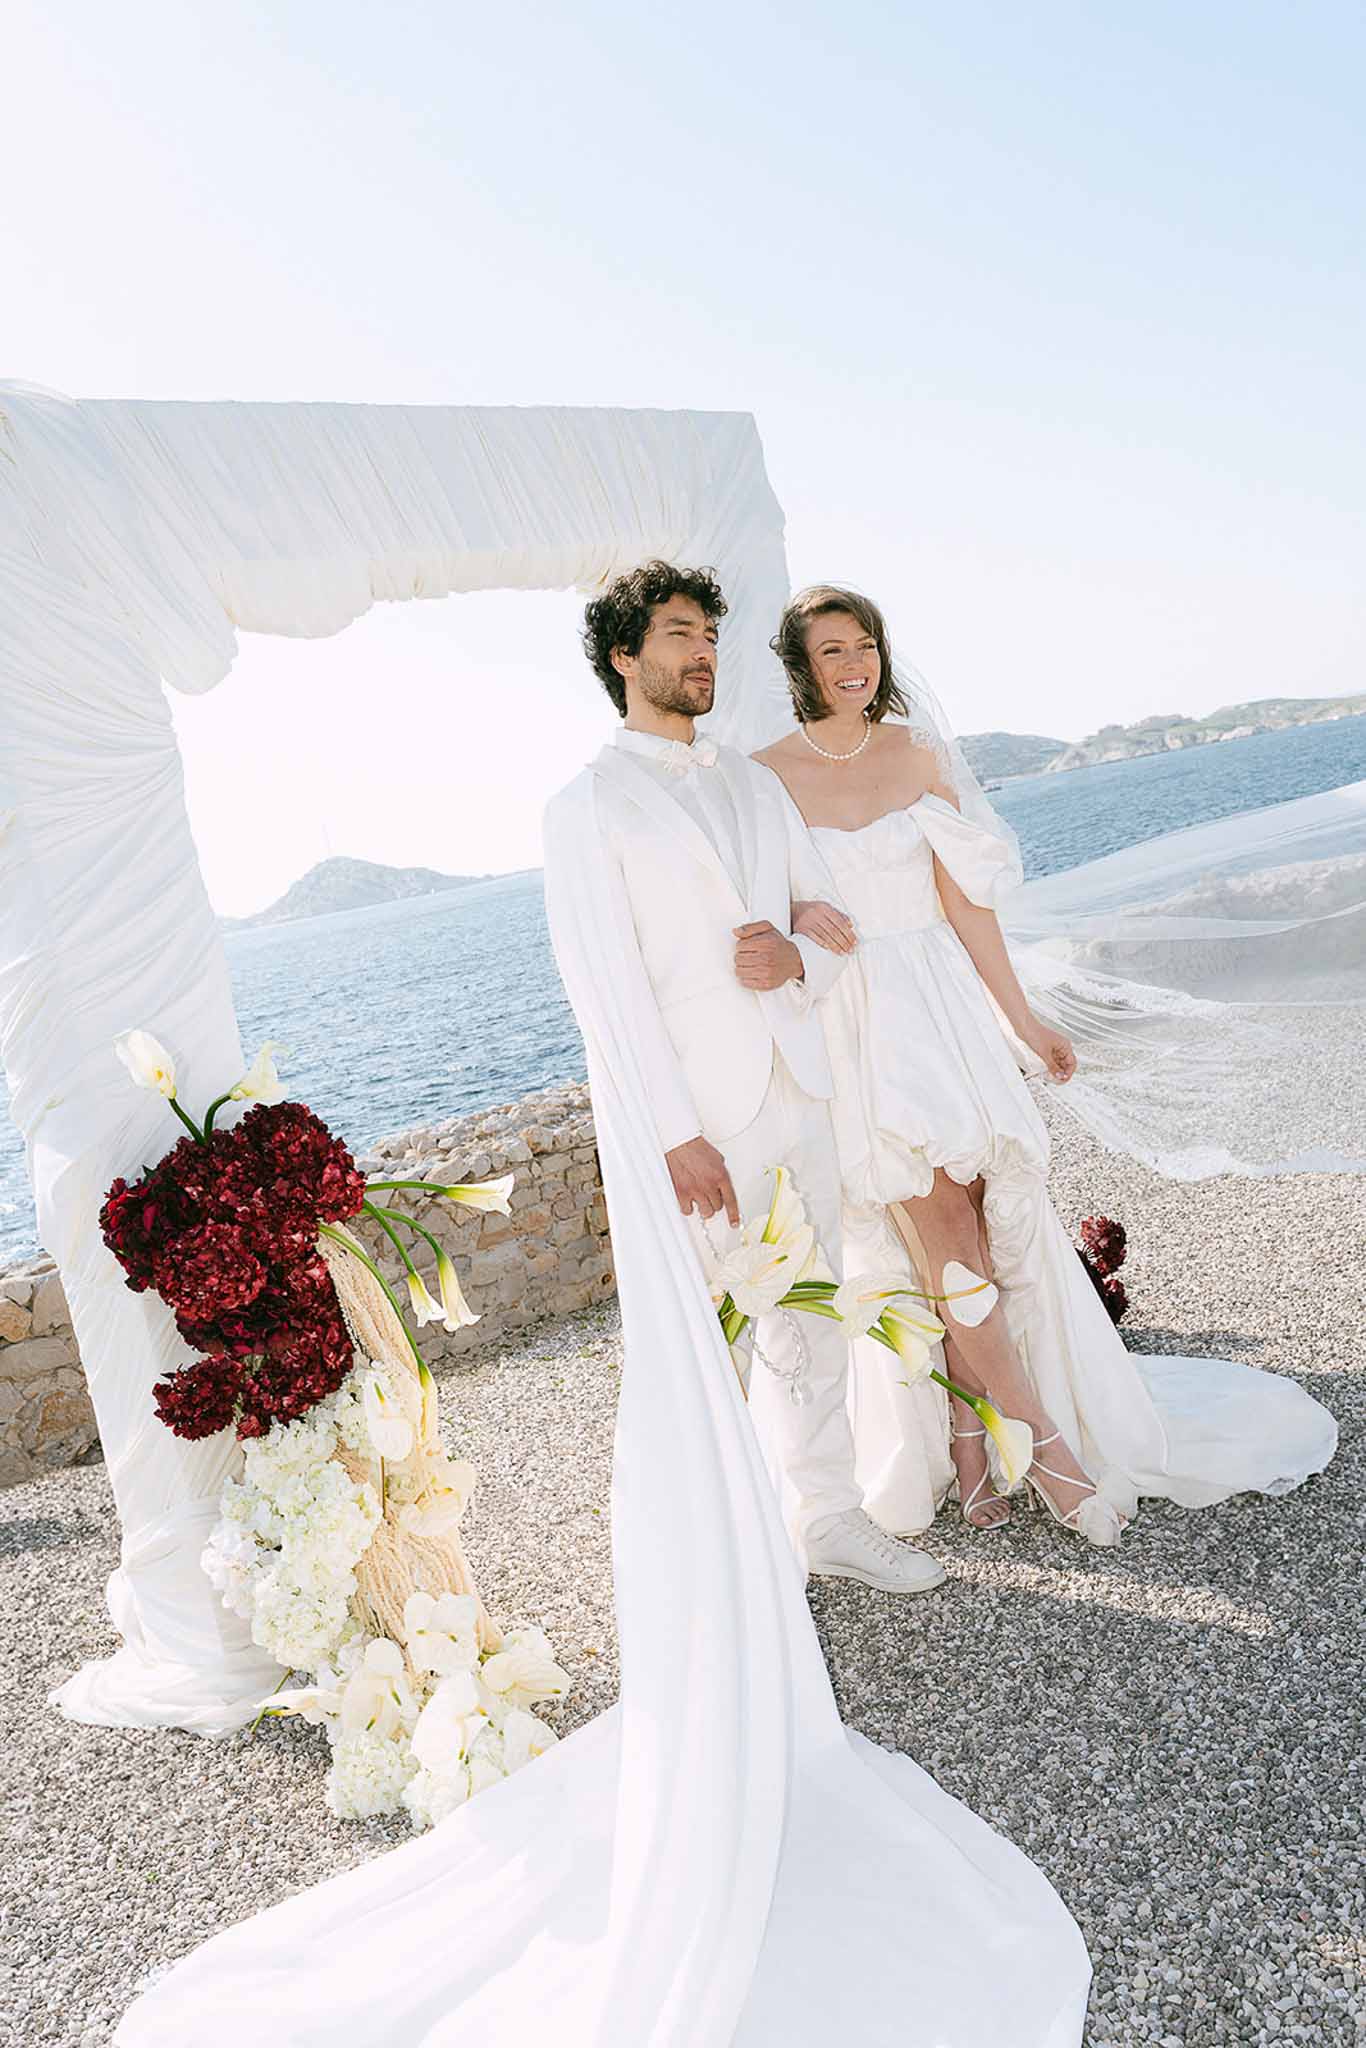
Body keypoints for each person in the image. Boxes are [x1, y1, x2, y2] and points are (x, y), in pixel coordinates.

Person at [756, 584, 1337, 1543]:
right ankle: (1050, 1449)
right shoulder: (767, 777)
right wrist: (794, 918)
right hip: (858, 1020)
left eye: (863, 645)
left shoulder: (915, 754)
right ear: (800, 668)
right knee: (940, 1239)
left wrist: (1023, 1024)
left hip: (944, 1007)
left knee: (975, 1238)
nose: (853, 663)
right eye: (831, 651)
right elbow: (750, 903)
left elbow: (965, 905)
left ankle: (971, 1436)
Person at [565, 560, 941, 1592]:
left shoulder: (751, 779)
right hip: (701, 1114)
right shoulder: (587, 805)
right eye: (681, 633)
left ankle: (827, 1516)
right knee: (705, 1335)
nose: (702, 653)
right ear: (624, 656)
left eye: (710, 637)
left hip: (797, 1080)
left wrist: (796, 959)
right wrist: (674, 1130)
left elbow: (828, 919)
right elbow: (607, 991)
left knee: (810, 1310)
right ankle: (712, 1560)